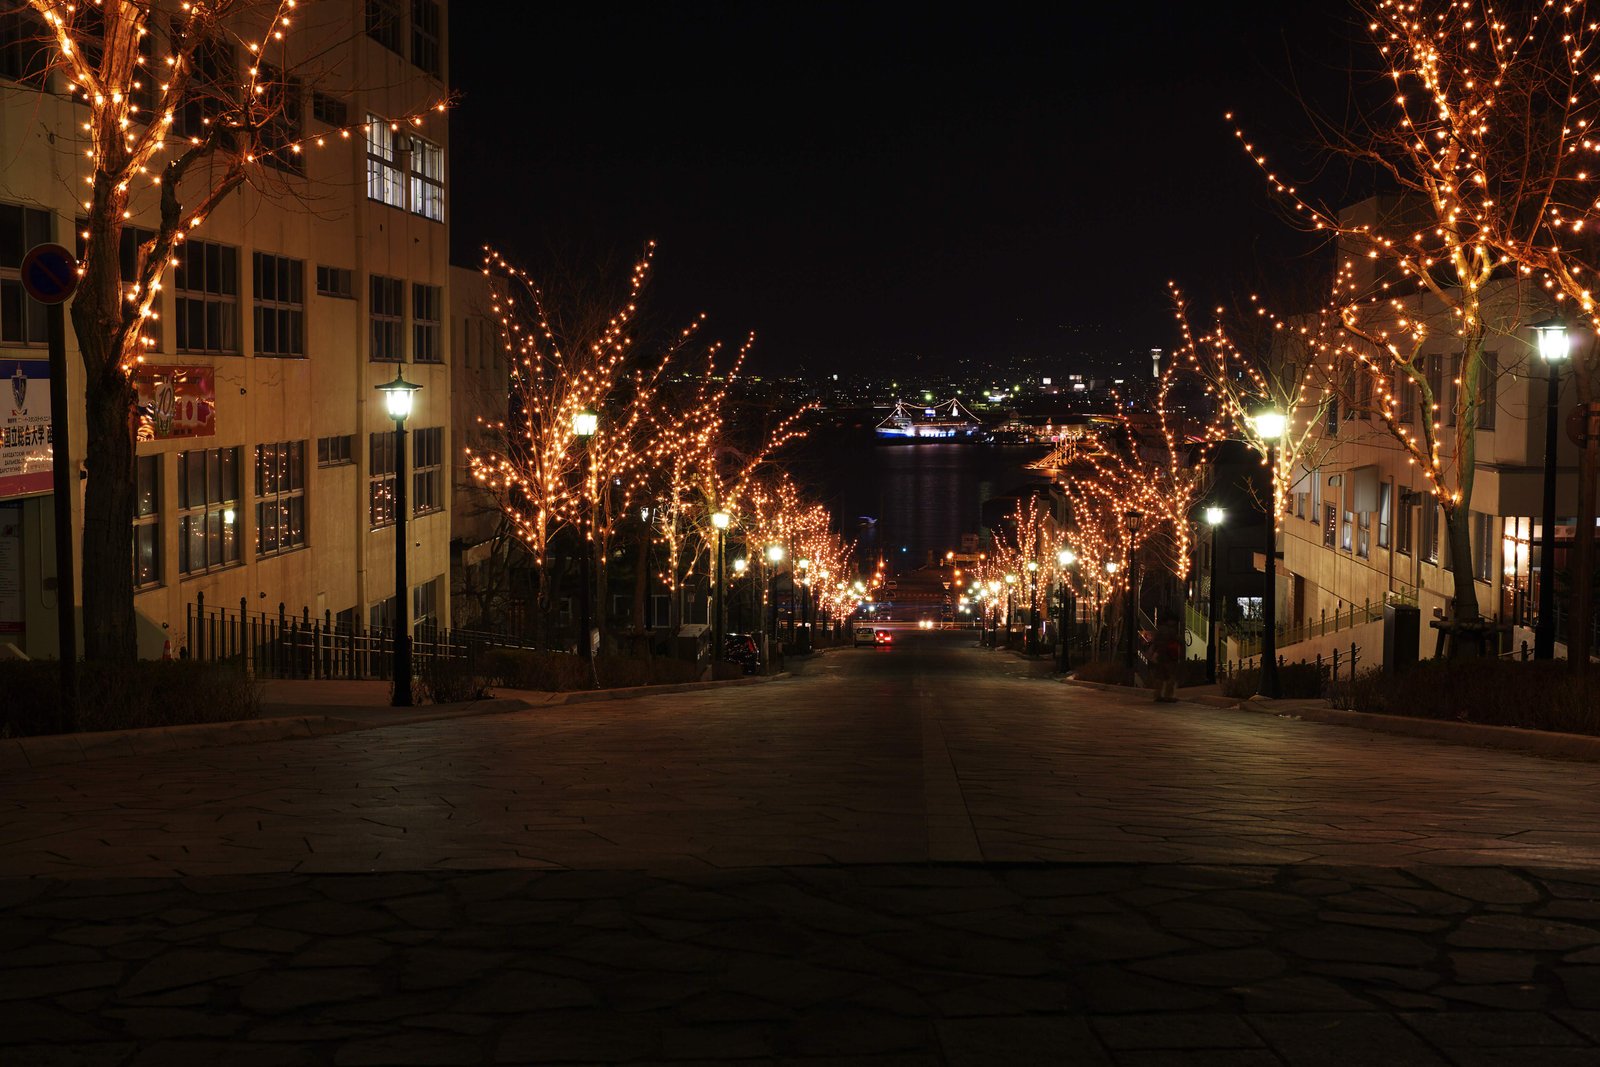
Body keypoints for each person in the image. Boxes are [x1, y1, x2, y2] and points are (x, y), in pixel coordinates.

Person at [1149, 620, 1183, 703]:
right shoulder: (1171, 631)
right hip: (1169, 656)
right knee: (1171, 677)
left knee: (1160, 677)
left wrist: (1154, 653)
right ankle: (1168, 695)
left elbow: (1155, 643)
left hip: (1160, 656)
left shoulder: (1159, 631)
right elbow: (1177, 640)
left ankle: (1158, 694)